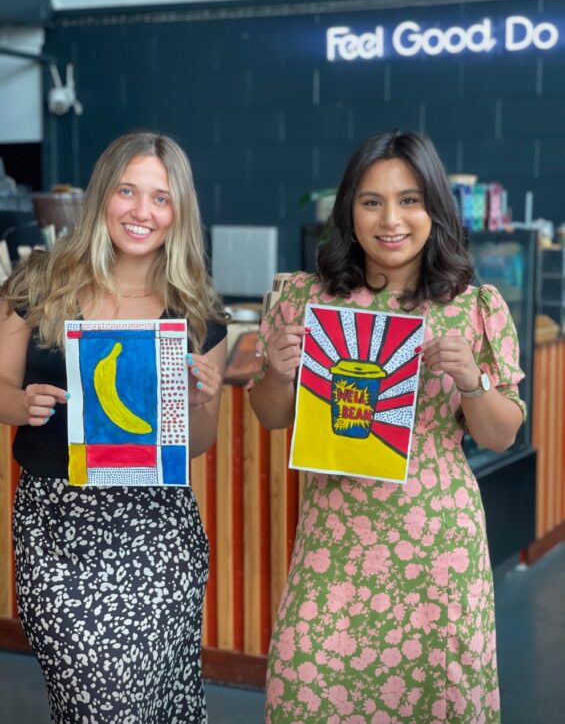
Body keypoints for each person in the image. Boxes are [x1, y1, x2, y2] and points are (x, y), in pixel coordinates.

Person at [249, 130, 525, 723]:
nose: (390, 219)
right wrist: (275, 372)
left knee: (436, 701)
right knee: (310, 693)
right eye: (372, 201)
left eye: (410, 200)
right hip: (335, 540)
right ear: (349, 210)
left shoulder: (475, 307)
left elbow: (501, 434)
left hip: (438, 546)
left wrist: (473, 382)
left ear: (435, 211)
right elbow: (272, 417)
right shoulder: (306, 300)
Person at [0, 130, 227, 723]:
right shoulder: (40, 281)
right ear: (104, 194)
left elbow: (201, 443)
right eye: (128, 191)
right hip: (57, 533)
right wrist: (21, 405)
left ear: (179, 211)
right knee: (96, 706)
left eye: (160, 197)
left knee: (160, 703)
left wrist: (202, 398)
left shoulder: (197, 308)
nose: (141, 211)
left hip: (159, 532)